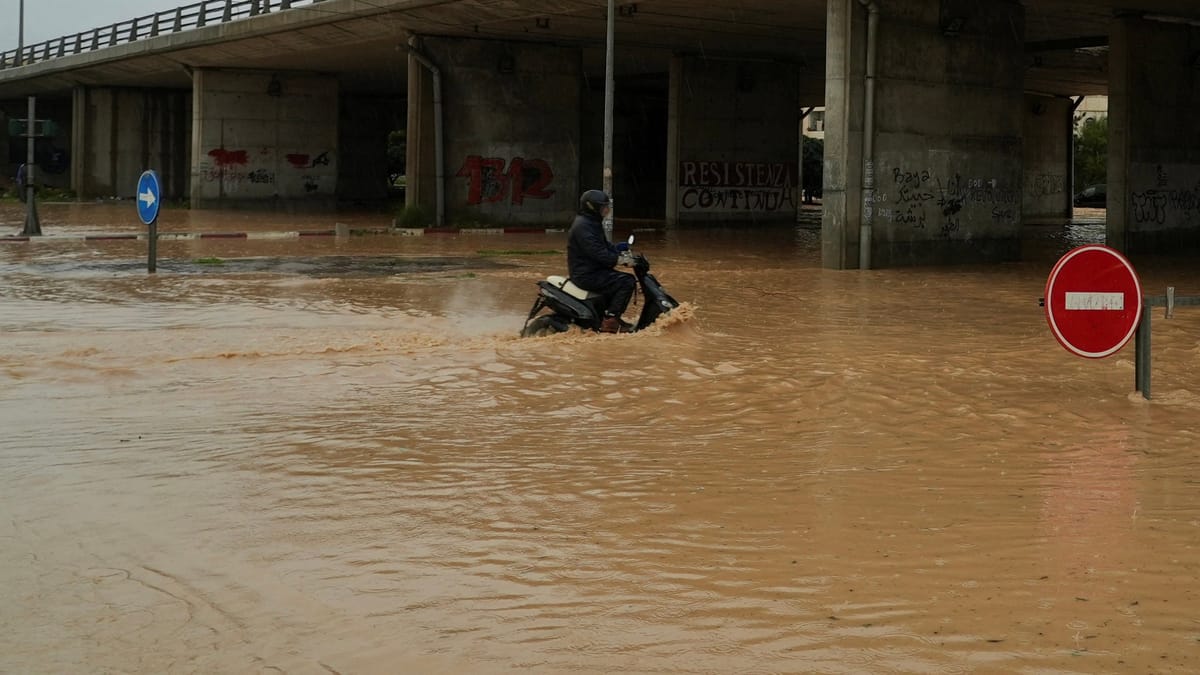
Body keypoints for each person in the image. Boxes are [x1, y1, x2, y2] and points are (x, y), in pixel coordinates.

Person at [567, 189, 635, 334]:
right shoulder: (583, 226)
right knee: (626, 281)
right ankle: (610, 320)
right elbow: (598, 253)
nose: (606, 210)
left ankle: (608, 314)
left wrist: (618, 248)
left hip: (592, 270)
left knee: (618, 280)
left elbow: (603, 246)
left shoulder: (591, 222)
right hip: (586, 274)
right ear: (592, 207)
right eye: (603, 207)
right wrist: (619, 259)